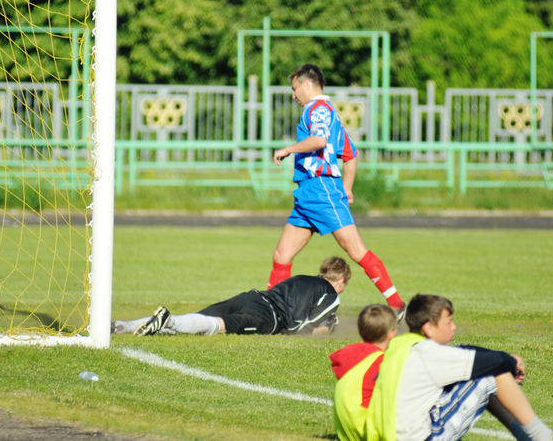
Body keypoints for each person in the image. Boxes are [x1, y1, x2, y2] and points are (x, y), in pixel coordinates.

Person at [269, 63, 405, 315]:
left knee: (356, 250)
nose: (293, 95)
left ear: (307, 84)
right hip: (308, 193)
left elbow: (319, 140)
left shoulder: (318, 109)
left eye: (295, 88)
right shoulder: (328, 112)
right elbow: (350, 154)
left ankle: (397, 305)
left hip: (321, 189)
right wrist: (348, 188)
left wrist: (288, 149)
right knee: (282, 255)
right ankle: (273, 311)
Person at [365, 294, 553, 441]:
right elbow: (491, 363)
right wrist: (511, 362)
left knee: (479, 372)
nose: (454, 327)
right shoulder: (429, 353)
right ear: (429, 328)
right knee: (489, 376)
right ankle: (543, 437)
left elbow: (465, 351)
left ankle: (532, 438)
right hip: (423, 438)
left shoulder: (405, 346)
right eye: (448, 322)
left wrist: (505, 358)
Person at [112, 256, 350, 336]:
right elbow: (306, 326)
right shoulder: (331, 294)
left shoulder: (303, 277)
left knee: (197, 320)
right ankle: (169, 319)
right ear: (340, 281)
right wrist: (327, 328)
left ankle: (121, 326)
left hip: (253, 297)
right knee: (220, 325)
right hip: (269, 316)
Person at [330, 304, 397, 441]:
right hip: (368, 431)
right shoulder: (381, 361)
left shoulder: (352, 355)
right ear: (392, 333)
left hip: (347, 432)